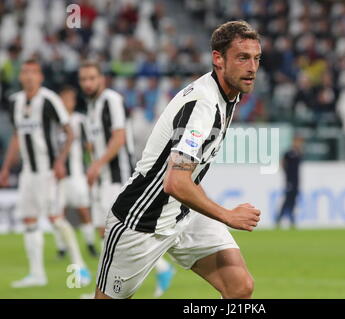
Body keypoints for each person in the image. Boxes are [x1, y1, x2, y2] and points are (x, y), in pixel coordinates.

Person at [94, 20, 262, 299]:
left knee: (239, 287)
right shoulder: (203, 105)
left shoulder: (229, 96)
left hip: (183, 213)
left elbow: (187, 177)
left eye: (256, 58)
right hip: (142, 221)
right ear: (218, 59)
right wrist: (228, 216)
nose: (252, 67)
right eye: (243, 57)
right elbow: (175, 182)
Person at [78, 61, 175, 298]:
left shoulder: (111, 100)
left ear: (101, 78)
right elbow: (94, 142)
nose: (88, 83)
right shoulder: (91, 107)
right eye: (84, 79)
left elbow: (119, 137)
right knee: (106, 232)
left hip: (117, 176)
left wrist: (97, 165)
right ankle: (112, 286)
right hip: (102, 179)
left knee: (115, 233)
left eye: (92, 78)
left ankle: (158, 270)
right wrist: (92, 165)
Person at [0, 59, 91, 288]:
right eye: (25, 72)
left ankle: (80, 267)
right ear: (21, 76)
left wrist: (60, 162)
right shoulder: (16, 102)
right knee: (28, 220)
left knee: (55, 218)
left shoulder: (49, 99)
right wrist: (6, 168)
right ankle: (37, 274)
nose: (29, 76)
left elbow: (69, 132)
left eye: (33, 72)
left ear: (40, 77)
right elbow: (16, 136)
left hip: (48, 171)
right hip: (28, 172)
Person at [52, 85, 98, 258]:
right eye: (64, 99)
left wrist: (92, 166)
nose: (67, 102)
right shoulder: (54, 122)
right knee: (58, 212)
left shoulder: (80, 120)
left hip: (77, 174)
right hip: (58, 176)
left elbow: (88, 146)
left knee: (83, 209)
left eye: (70, 99)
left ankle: (90, 244)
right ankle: (62, 247)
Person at [276, 135, 303, 228]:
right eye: (297, 141)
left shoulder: (299, 153)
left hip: (296, 181)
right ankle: (279, 218)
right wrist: (286, 174)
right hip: (290, 181)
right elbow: (282, 163)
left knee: (293, 201)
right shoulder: (289, 153)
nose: (299, 144)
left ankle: (291, 219)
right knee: (287, 201)